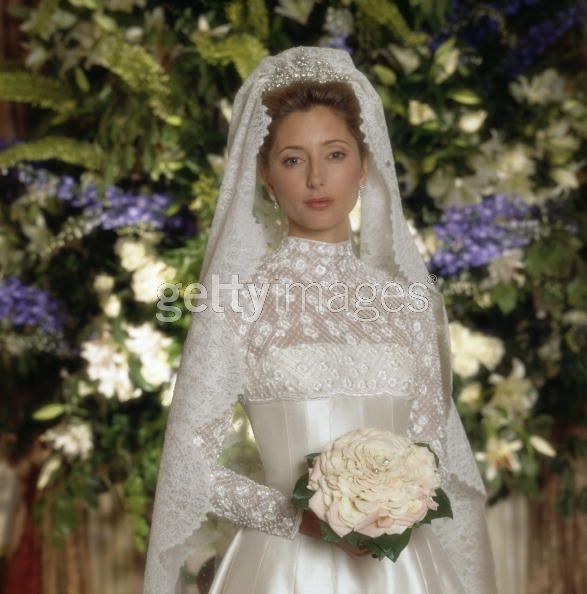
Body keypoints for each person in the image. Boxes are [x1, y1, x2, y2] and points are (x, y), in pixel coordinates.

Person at [142, 46, 499, 594]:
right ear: (265, 175)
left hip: (403, 568)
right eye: (292, 159)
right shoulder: (237, 302)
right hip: (283, 569)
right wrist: (301, 515)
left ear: (364, 164)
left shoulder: (410, 304)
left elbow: (430, 449)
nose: (315, 178)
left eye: (334, 154)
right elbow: (188, 468)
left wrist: (389, 507)